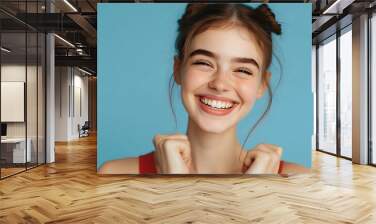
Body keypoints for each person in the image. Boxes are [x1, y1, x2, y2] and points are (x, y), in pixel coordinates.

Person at [99, 3, 310, 175]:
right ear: (178, 69)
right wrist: (174, 188)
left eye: (243, 70)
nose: (220, 84)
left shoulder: (298, 181)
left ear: (262, 84)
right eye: (204, 63)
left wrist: (254, 193)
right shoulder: (113, 175)